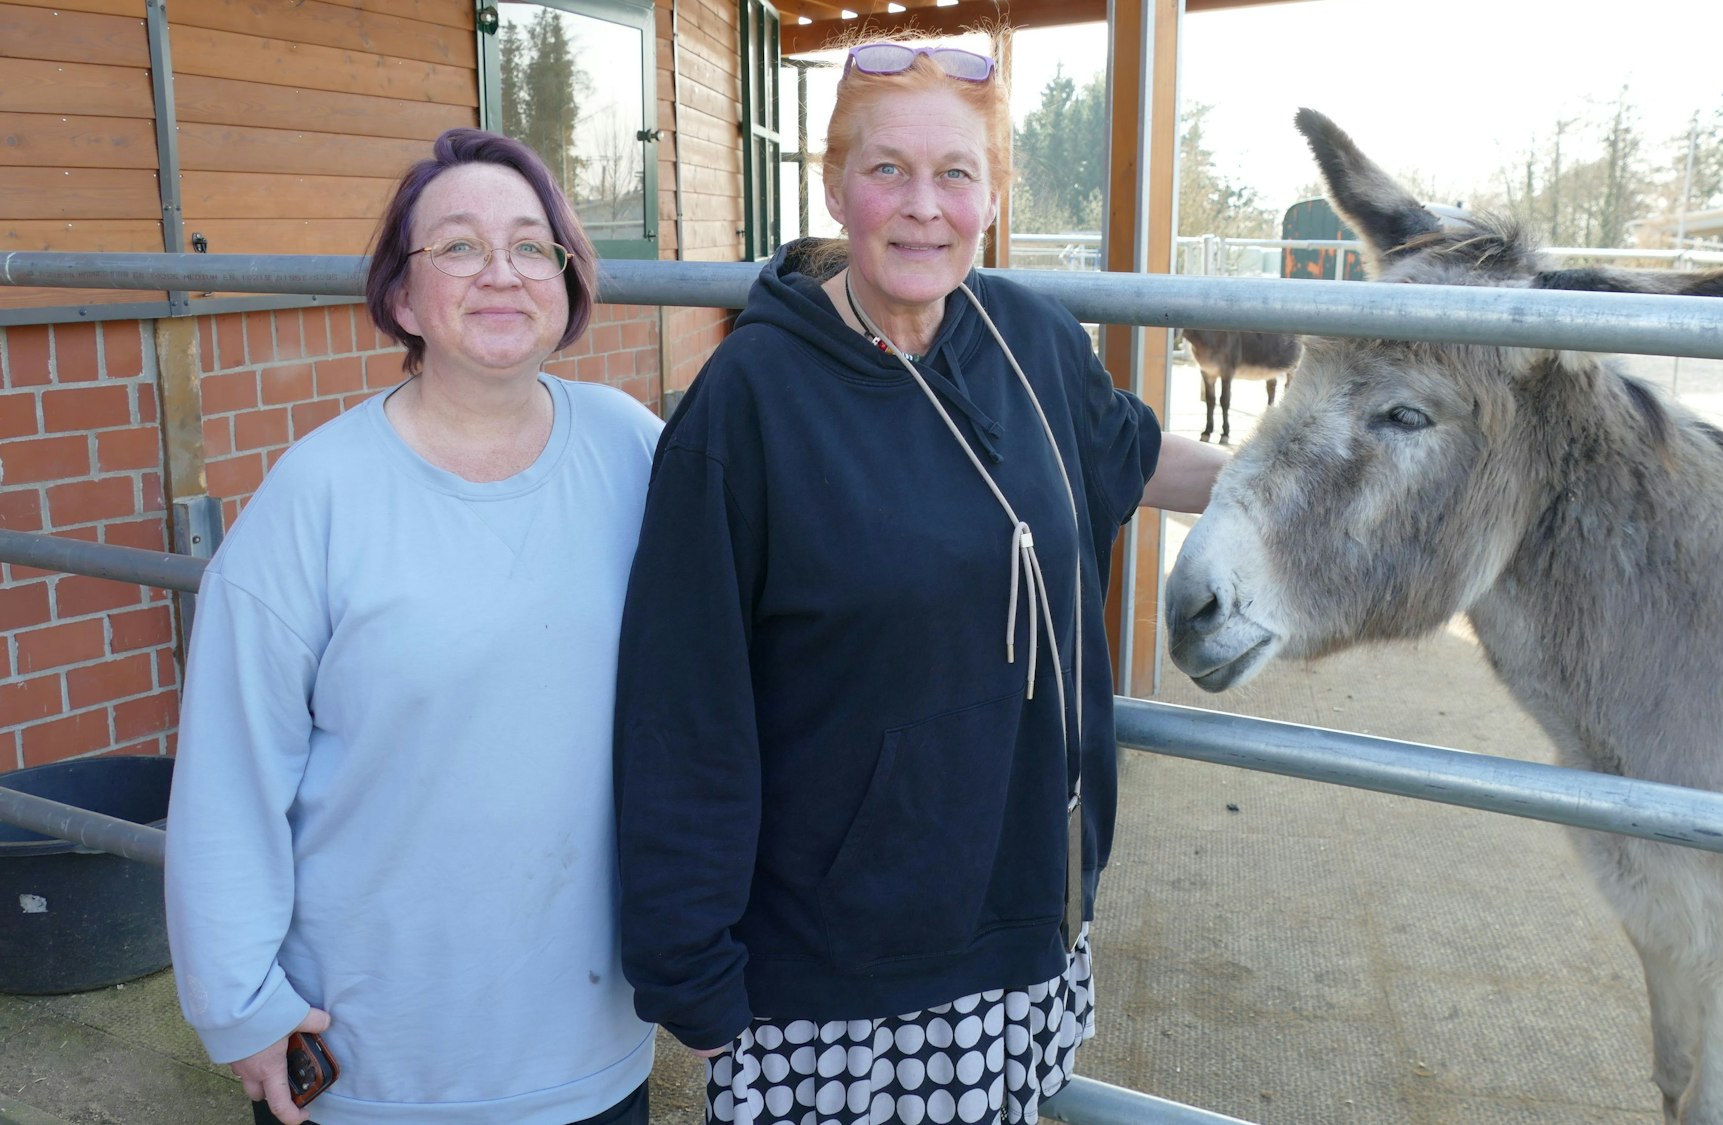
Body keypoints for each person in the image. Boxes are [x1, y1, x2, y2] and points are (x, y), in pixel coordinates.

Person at [613, 33, 1226, 1125]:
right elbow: (683, 702)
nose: (921, 206)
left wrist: (1305, 496)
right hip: (844, 960)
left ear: (992, 196)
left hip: (1021, 900)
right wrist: (683, 955)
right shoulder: (747, 403)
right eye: (886, 168)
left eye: (955, 173)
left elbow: (1127, 455)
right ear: (834, 186)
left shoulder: (1029, 336)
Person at [164, 128, 662, 1125]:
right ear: (400, 297)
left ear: (568, 283)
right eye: (459, 247)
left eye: (532, 245)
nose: (502, 274)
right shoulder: (317, 496)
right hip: (374, 1060)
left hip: (590, 1049)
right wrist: (240, 1008)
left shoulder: (638, 453)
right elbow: (230, 769)